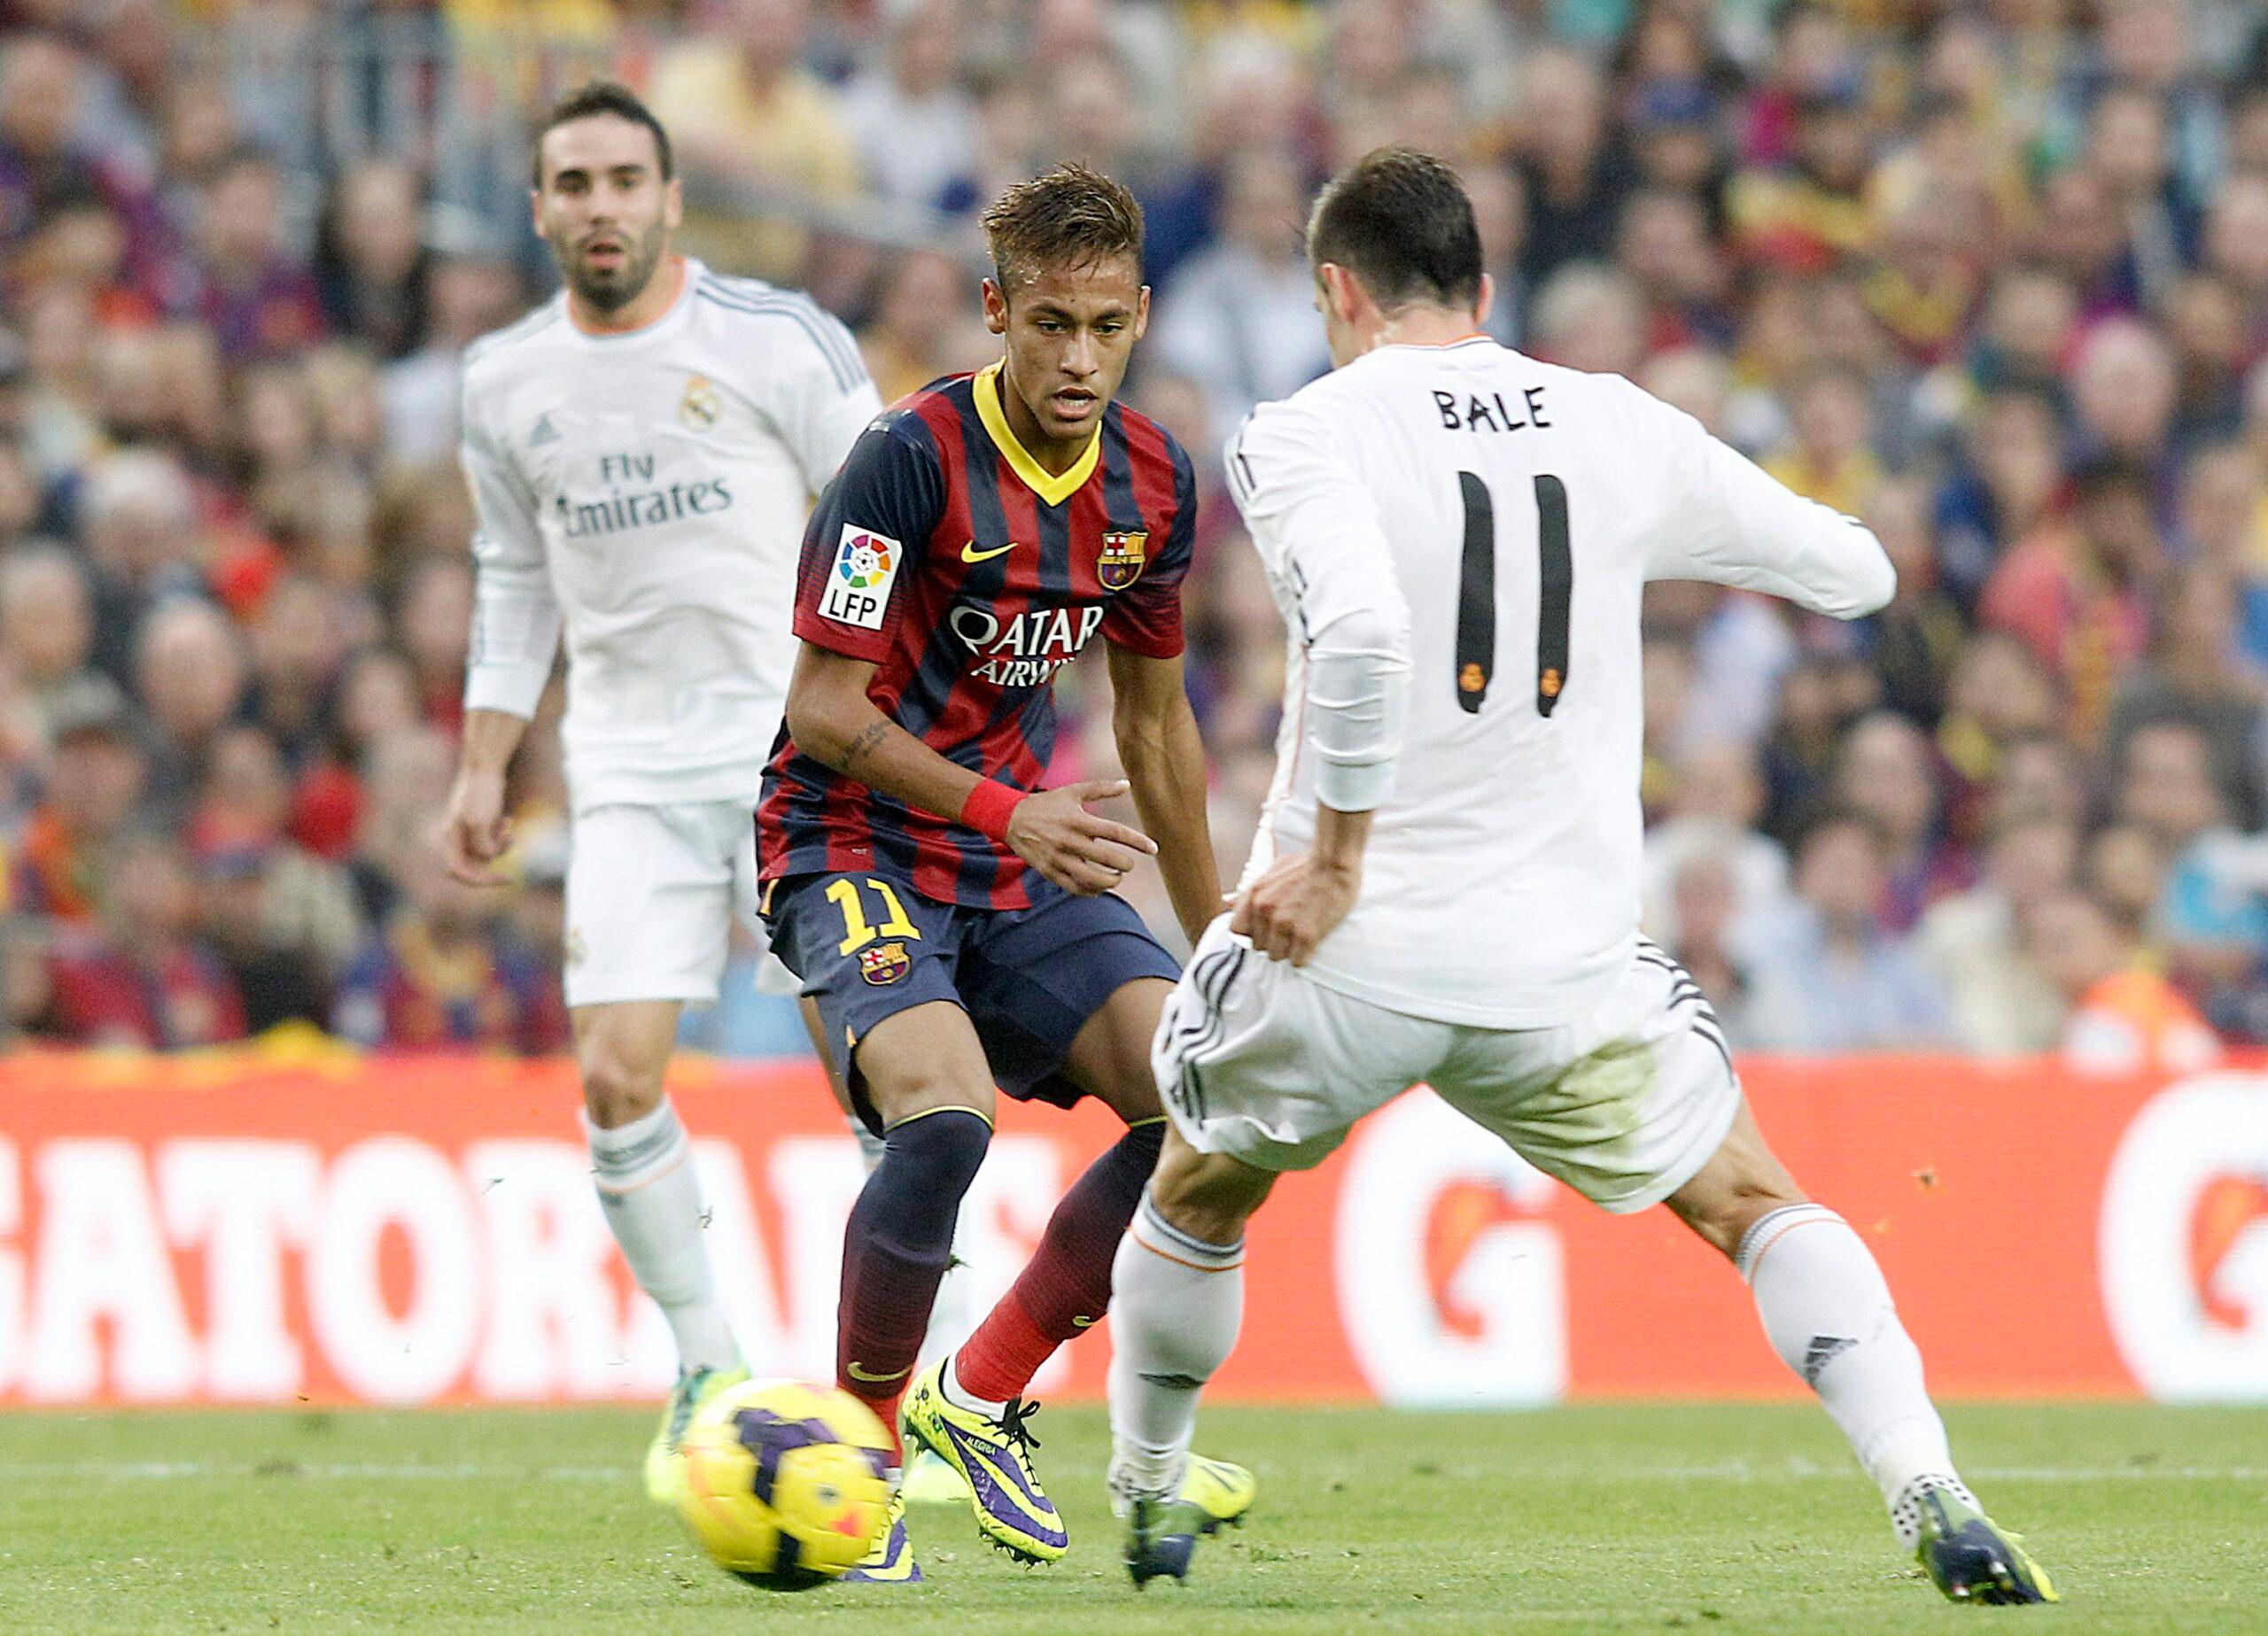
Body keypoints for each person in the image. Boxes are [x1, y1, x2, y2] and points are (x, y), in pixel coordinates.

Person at [1107, 150, 2054, 1606]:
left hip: (1343, 952)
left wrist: (1338, 858)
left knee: (1202, 1178)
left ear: (1336, 293)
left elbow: (1357, 637)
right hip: (1564, 965)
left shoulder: (1303, 430)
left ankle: (1151, 1491)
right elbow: (1856, 572)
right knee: (1750, 1199)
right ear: (1485, 293)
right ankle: (1931, 1485)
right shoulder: (1617, 425)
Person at [757, 164, 1249, 1583]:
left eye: (1105, 325)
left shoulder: (1155, 481)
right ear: (996, 314)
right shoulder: (904, 460)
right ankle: (860, 1463)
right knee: (946, 1120)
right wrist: (1008, 810)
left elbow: (1156, 723)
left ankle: (983, 1392)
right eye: (1050, 325)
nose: (1079, 358)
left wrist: (1212, 940)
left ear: (1143, 315)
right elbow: (824, 713)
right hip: (847, 833)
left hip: (1010, 847)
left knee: (1206, 1111)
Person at [437, 81, 882, 1505]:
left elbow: (887, 516)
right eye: (573, 183)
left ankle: (915, 1388)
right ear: (540, 210)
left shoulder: (775, 341)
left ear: (672, 196)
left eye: (626, 178)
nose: (602, 205)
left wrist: (890, 708)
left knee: (882, 1079)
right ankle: (711, 1368)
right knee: (619, 1071)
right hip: (625, 770)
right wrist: (483, 756)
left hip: (798, 759)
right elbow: (514, 577)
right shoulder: (503, 381)